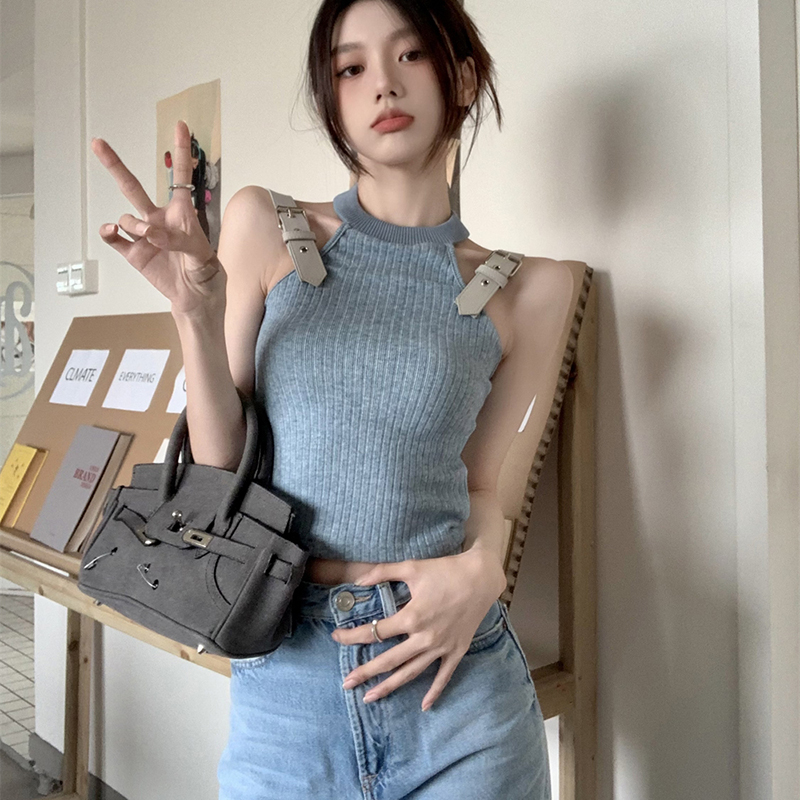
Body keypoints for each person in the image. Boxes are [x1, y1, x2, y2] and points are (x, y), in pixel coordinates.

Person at [91, 1, 574, 797]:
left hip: (457, 680)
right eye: (351, 68)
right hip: (289, 672)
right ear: (331, 97)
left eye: (410, 55)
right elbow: (220, 468)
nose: (382, 83)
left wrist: (484, 570)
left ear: (462, 77)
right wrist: (194, 316)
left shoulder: (532, 289)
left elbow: (489, 489)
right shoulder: (263, 224)